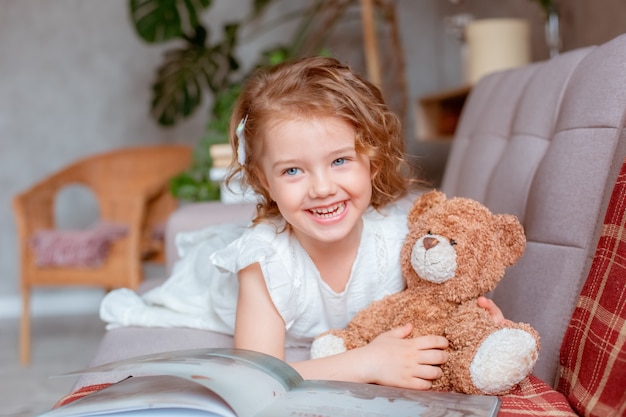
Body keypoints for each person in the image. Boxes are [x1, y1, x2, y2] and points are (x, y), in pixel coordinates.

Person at [210, 56, 504, 390]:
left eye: (339, 160)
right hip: (210, 289)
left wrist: (478, 323)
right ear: (264, 181)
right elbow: (254, 376)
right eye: (293, 170)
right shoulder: (264, 260)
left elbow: (437, 299)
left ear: (373, 163)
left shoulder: (399, 238)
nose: (322, 189)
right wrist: (367, 363)